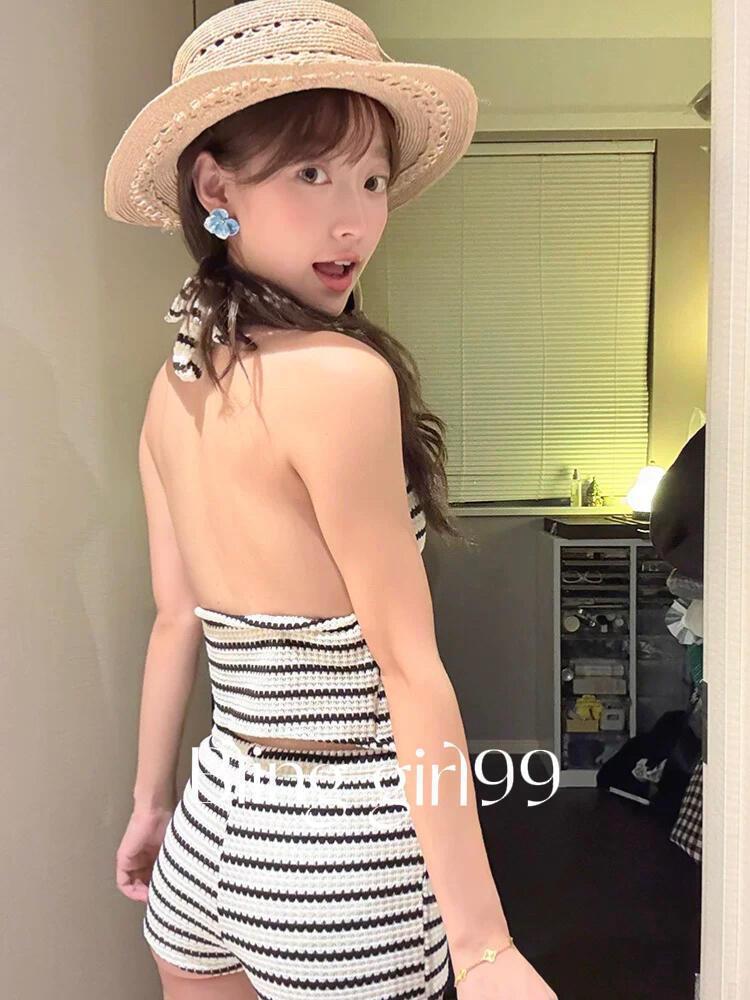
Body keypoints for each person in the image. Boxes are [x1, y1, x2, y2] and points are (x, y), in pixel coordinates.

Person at [106, 3, 557, 998]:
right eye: (310, 173)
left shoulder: (172, 384)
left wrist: (149, 805)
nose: (353, 221)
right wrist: (484, 944)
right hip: (336, 843)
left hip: (208, 825)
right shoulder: (342, 379)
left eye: (372, 179)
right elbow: (408, 668)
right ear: (216, 190)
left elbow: (177, 617)